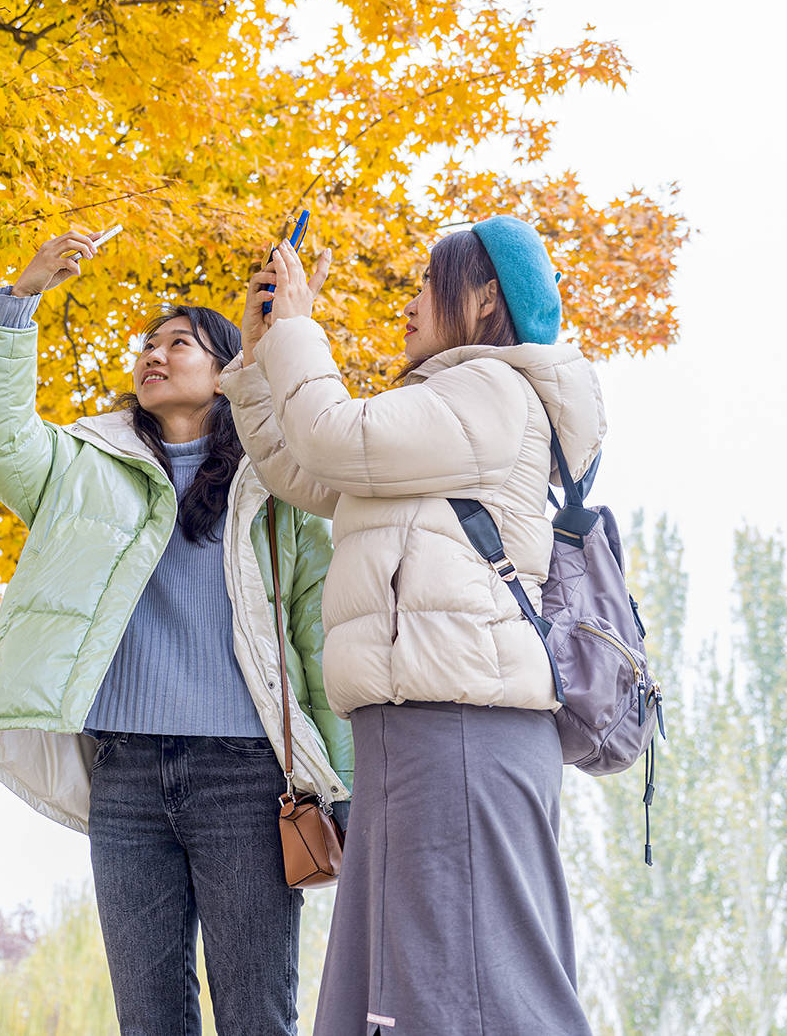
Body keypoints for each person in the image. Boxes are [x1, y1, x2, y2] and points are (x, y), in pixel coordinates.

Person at [0, 229, 353, 1036]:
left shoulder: (274, 485)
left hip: (246, 781)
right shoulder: (81, 468)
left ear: (227, 370)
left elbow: (317, 638)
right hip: (127, 777)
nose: (154, 355)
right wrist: (20, 298)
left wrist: (346, 786)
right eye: (146, 345)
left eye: (180, 343)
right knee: (148, 1022)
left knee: (258, 1018)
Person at [222, 216, 602, 1036]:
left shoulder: (492, 391)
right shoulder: (441, 406)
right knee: (399, 993)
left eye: (429, 282)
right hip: (420, 732)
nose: (412, 301)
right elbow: (308, 470)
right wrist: (258, 367)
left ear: (486, 294)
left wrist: (298, 327)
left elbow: (335, 435)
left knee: (469, 992)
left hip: (460, 729)